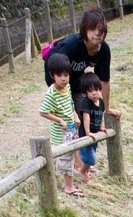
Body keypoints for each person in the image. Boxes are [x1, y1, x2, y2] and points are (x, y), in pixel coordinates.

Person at [43, 6, 120, 172]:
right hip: (58, 79)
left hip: (76, 81)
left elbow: (104, 82)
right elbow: (54, 67)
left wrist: (106, 108)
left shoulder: (103, 50)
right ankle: (77, 163)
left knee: (86, 114)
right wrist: (61, 95)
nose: (97, 33)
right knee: (71, 118)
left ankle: (85, 161)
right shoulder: (71, 46)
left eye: (100, 30)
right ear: (85, 29)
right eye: (92, 28)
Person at [39, 53, 82, 197]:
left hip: (71, 129)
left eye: (66, 74)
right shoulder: (52, 93)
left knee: (72, 154)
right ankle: (68, 187)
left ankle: (70, 183)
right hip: (61, 133)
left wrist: (75, 115)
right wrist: (59, 120)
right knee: (65, 158)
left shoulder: (67, 87)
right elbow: (43, 112)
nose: (63, 78)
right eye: (59, 75)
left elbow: (70, 103)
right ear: (52, 75)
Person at [78, 72, 107, 183]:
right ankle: (83, 171)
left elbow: (100, 115)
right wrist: (88, 131)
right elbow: (86, 117)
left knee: (93, 151)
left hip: (95, 134)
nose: (94, 93)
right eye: (90, 91)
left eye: (97, 90)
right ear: (85, 92)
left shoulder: (101, 102)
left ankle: (88, 168)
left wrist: (101, 127)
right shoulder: (86, 102)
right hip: (86, 135)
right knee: (90, 158)